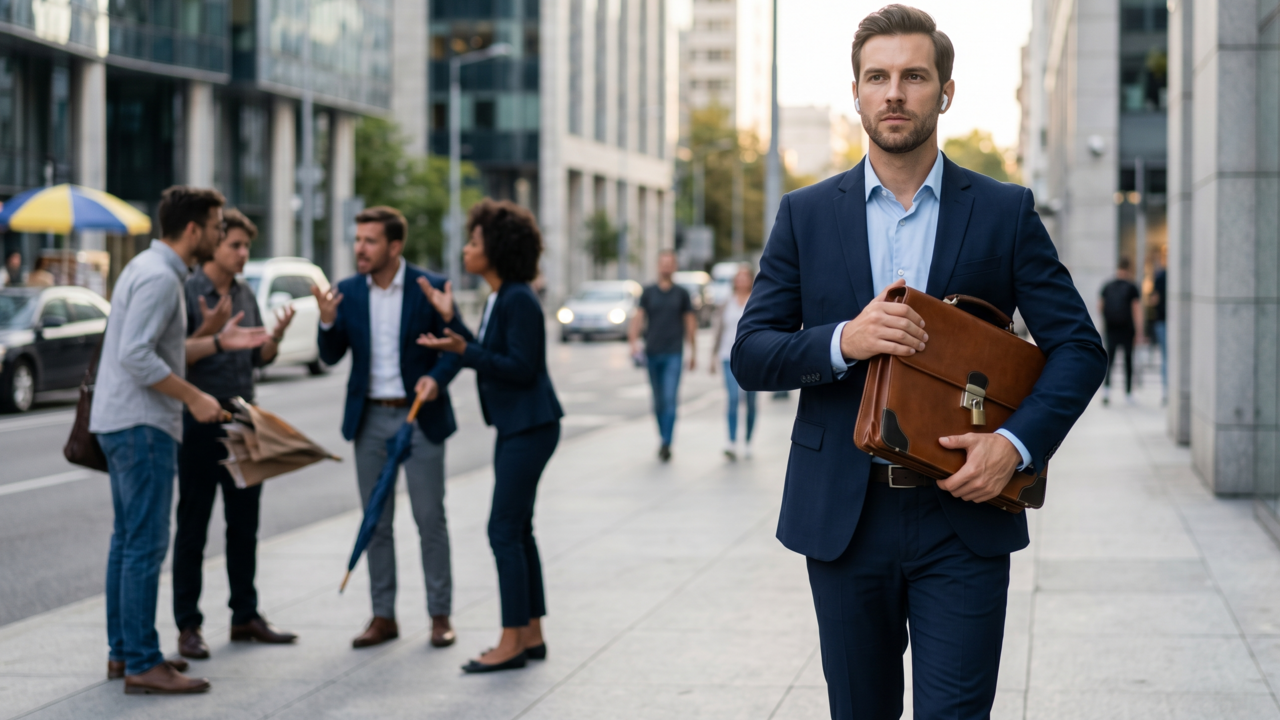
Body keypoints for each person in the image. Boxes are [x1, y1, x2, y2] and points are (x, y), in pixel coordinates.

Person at [730, 6, 1107, 719]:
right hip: (843, 516)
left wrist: (1014, 446)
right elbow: (751, 353)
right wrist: (847, 339)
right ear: (858, 93)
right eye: (878, 77)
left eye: (913, 76)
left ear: (946, 91)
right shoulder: (805, 215)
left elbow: (1079, 348)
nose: (894, 92)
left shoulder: (1004, 210)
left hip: (962, 513)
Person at [90, 186, 269, 695]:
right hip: (142, 424)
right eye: (216, 227)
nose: (220, 234)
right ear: (193, 230)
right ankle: (144, 662)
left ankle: (124, 653)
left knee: (127, 542)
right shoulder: (161, 279)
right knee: (144, 544)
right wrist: (192, 396)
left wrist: (211, 336)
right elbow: (136, 355)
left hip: (123, 421)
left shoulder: (147, 270)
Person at [417, 199, 563, 674]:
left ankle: (511, 641)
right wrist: (455, 323)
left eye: (474, 241)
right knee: (519, 529)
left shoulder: (518, 297)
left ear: (496, 249)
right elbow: (485, 351)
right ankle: (531, 633)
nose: (465, 248)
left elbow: (522, 368)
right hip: (519, 425)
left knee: (502, 530)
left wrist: (464, 348)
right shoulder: (502, 296)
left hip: (530, 425)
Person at [311, 206, 462, 650]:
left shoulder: (428, 287)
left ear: (394, 246)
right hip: (370, 418)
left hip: (420, 415)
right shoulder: (348, 292)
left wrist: (437, 378)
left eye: (370, 241)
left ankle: (439, 615)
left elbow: (458, 347)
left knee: (429, 518)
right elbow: (331, 355)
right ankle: (383, 616)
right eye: (358, 239)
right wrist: (326, 321)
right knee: (376, 519)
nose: (360, 248)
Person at [172, 209, 299, 661]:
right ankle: (188, 625)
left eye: (247, 246)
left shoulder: (245, 291)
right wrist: (213, 336)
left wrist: (275, 338)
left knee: (244, 524)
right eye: (236, 246)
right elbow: (172, 360)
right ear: (215, 244)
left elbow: (257, 357)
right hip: (200, 415)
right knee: (193, 524)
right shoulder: (188, 291)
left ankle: (245, 614)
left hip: (244, 416)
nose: (244, 254)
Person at [628, 250, 697, 462]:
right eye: (663, 263)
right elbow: (638, 318)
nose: (666, 267)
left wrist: (693, 350)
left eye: (670, 263)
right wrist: (633, 342)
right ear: (658, 266)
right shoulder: (648, 292)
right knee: (657, 401)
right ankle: (662, 437)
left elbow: (690, 322)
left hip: (674, 353)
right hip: (652, 352)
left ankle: (667, 442)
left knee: (669, 398)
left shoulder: (682, 294)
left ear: (674, 266)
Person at [710, 264, 757, 461]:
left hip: (752, 359)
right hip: (727, 357)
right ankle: (730, 441)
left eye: (745, 277)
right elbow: (719, 330)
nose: (741, 280)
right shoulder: (726, 303)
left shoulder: (756, 302)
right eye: (738, 277)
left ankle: (747, 441)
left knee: (750, 401)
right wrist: (712, 356)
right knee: (732, 398)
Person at [1099, 257, 1144, 406]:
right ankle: (1128, 394)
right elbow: (1136, 310)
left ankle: (1106, 390)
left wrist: (1104, 324)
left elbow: (1100, 306)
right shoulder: (1132, 287)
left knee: (1110, 360)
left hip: (1111, 328)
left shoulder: (1107, 286)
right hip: (1127, 329)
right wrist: (1139, 332)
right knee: (1128, 360)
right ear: (1129, 269)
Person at [1151, 247, 1168, 404]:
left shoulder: (1160, 276)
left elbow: (1153, 299)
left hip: (1162, 321)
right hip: (1169, 321)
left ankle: (1166, 391)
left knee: (1165, 357)